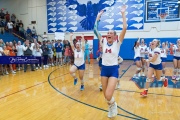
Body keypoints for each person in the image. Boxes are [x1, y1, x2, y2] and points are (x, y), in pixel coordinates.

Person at [93, 6, 127, 118]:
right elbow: (95, 30)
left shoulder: (118, 42)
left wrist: (123, 14)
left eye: (111, 33)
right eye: (108, 32)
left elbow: (125, 28)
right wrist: (98, 17)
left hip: (113, 70)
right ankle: (111, 106)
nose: (109, 34)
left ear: (114, 36)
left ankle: (113, 105)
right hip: (104, 69)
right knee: (105, 96)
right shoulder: (103, 41)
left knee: (108, 94)